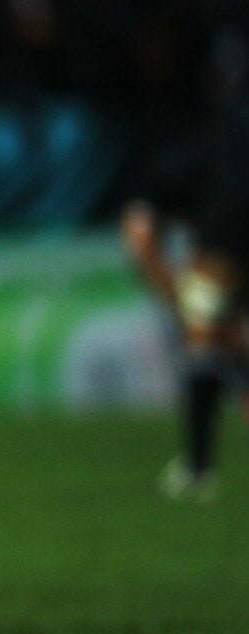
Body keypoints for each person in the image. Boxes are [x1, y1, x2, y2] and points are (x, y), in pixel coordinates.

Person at [120, 113, 249, 502]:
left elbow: (139, 239)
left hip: (221, 251)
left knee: (204, 340)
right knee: (217, 338)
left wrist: (178, 300)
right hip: (224, 247)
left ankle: (197, 466)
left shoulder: (174, 163)